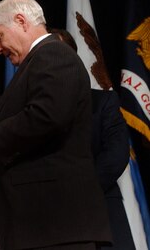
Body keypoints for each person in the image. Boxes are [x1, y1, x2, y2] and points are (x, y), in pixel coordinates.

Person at [0, 0, 111, 249]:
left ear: (21, 21)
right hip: (42, 226)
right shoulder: (40, 60)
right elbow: (15, 114)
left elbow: (46, 116)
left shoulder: (54, 54)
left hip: (57, 224)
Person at [48, 27, 135, 250]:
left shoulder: (103, 102)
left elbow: (116, 155)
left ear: (72, 58)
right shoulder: (32, 110)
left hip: (102, 211)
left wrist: (79, 192)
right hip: (53, 221)